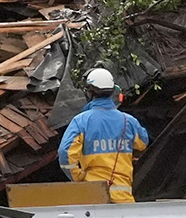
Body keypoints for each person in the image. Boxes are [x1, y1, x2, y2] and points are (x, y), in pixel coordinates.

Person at [58, 68, 149, 203]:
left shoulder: (81, 121)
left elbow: (65, 153)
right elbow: (143, 143)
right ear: (113, 91)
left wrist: (78, 178)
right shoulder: (128, 121)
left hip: (93, 196)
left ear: (89, 93)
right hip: (123, 199)